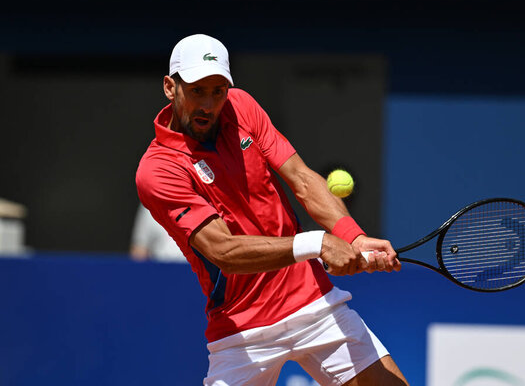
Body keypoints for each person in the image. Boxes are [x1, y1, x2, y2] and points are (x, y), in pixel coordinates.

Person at [135, 34, 409, 386]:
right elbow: (223, 251)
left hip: (314, 303)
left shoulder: (242, 106)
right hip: (242, 331)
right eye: (197, 91)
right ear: (170, 88)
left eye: (218, 91)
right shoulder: (157, 171)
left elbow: (304, 181)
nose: (209, 104)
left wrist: (353, 237)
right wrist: (318, 243)